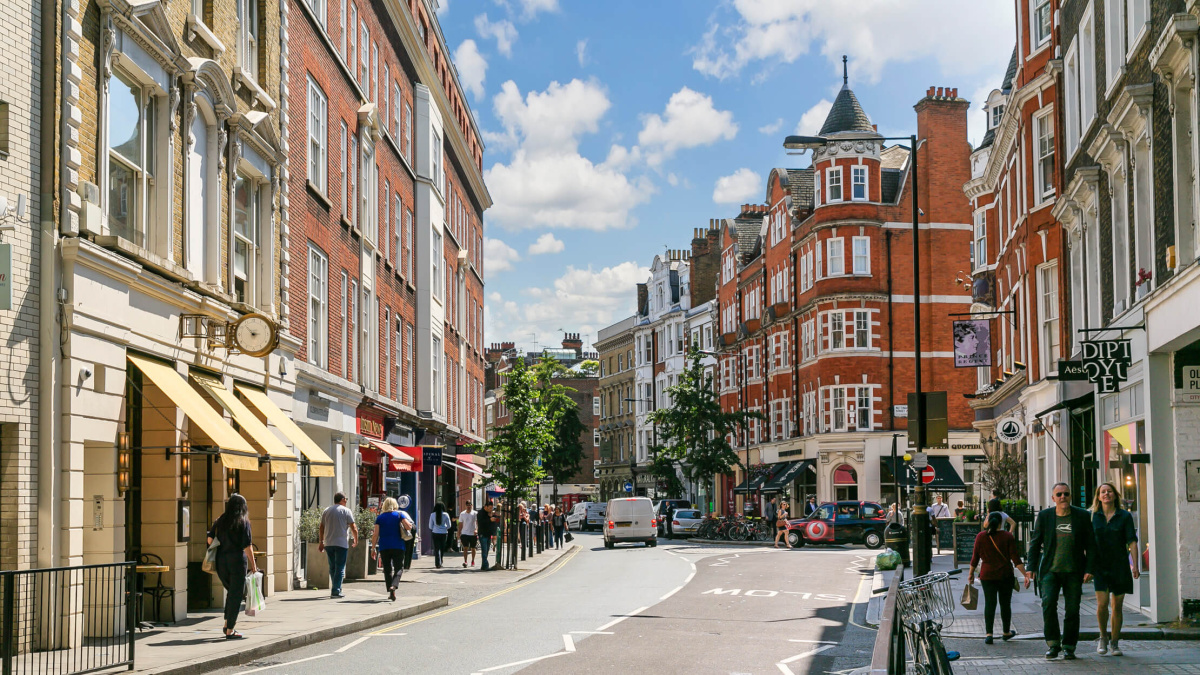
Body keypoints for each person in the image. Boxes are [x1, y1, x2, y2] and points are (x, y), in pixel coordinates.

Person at [1028, 482, 1095, 661]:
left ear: (1070, 496)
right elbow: (1035, 543)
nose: (1063, 497)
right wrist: (1030, 568)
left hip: (1074, 570)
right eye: (1059, 495)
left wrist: (1090, 568)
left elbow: (1091, 545)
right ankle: (1053, 643)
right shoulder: (1045, 516)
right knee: (1048, 604)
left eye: (1066, 494)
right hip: (1050, 570)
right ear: (1053, 498)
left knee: (1072, 609)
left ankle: (1069, 646)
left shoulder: (1082, 516)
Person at [1091, 482, 1140, 656]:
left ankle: (1115, 643)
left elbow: (1132, 541)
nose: (1106, 494)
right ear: (1098, 496)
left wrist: (1134, 564)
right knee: (1102, 604)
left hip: (1119, 565)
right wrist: (1087, 566)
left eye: (1109, 491)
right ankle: (1103, 637)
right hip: (1100, 566)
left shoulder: (1124, 516)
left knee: (1117, 605)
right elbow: (1087, 544)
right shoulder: (1093, 517)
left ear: (1115, 495)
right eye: (1103, 492)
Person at [969, 512, 1032, 644]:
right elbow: (1016, 559)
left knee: (989, 604)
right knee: (1005, 604)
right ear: (1000, 523)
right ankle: (1006, 631)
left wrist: (971, 574)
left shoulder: (981, 536)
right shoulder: (1007, 536)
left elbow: (974, 558)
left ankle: (989, 634)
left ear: (989, 521)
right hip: (1005, 575)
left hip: (987, 575)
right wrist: (1026, 574)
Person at [206, 494, 258, 639]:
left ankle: (226, 623)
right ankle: (230, 629)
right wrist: (253, 565)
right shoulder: (243, 521)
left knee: (231, 592)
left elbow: (210, 539)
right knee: (236, 595)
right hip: (237, 561)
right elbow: (247, 546)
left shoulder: (220, 520)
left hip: (221, 560)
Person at [317, 492, 358, 598]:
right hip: (341, 543)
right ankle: (336, 590)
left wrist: (321, 542)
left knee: (332, 567)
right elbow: (353, 527)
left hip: (328, 543)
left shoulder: (327, 510)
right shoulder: (346, 511)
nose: (346, 501)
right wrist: (356, 540)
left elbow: (321, 527)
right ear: (343, 499)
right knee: (340, 567)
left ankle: (337, 587)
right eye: (346, 499)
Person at [372, 498, 413, 601]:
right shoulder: (399, 515)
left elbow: (375, 534)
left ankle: (391, 592)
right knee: (399, 568)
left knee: (387, 569)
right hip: (398, 545)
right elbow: (408, 527)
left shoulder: (380, 518)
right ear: (395, 505)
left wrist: (373, 548)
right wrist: (410, 525)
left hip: (384, 546)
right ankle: (394, 585)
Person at [428, 502, 451, 568]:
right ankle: (441, 560)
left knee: (436, 548)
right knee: (442, 548)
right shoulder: (446, 514)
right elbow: (449, 525)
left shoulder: (432, 515)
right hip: (444, 533)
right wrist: (444, 528)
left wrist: (434, 528)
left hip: (435, 533)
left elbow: (430, 526)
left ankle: (437, 563)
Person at [477, 501, 496, 571]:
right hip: (482, 534)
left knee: (487, 550)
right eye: (490, 508)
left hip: (488, 534)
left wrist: (492, 517)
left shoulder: (489, 513)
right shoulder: (480, 513)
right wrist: (489, 519)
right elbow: (481, 522)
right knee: (484, 550)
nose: (491, 509)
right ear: (486, 506)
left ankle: (483, 566)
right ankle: (486, 565)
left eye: (492, 508)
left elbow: (492, 523)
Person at [459, 501, 478, 568]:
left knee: (473, 548)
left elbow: (477, 522)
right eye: (467, 505)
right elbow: (460, 524)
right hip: (464, 533)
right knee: (465, 548)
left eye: (470, 505)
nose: (469, 506)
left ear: (472, 505)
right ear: (465, 506)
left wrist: (476, 530)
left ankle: (472, 560)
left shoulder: (475, 513)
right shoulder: (462, 514)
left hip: (473, 533)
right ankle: (465, 561)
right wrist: (459, 533)